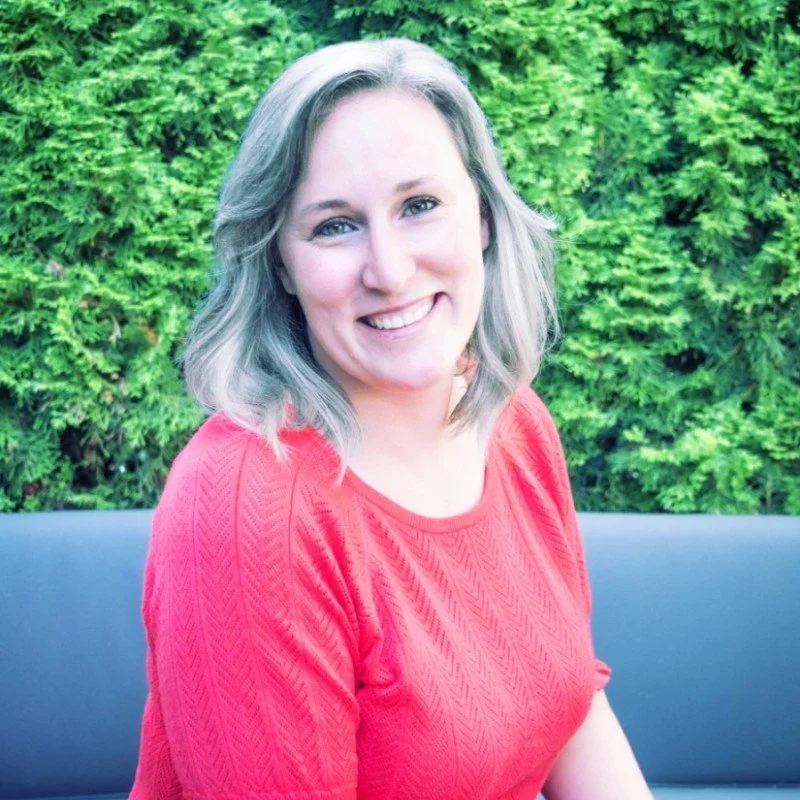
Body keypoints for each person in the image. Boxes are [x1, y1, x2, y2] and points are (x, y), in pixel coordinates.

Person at [130, 37, 652, 800]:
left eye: (420, 206)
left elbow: (572, 706)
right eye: (335, 225)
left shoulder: (513, 421)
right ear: (279, 261)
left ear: (481, 215)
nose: (391, 270)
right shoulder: (248, 512)